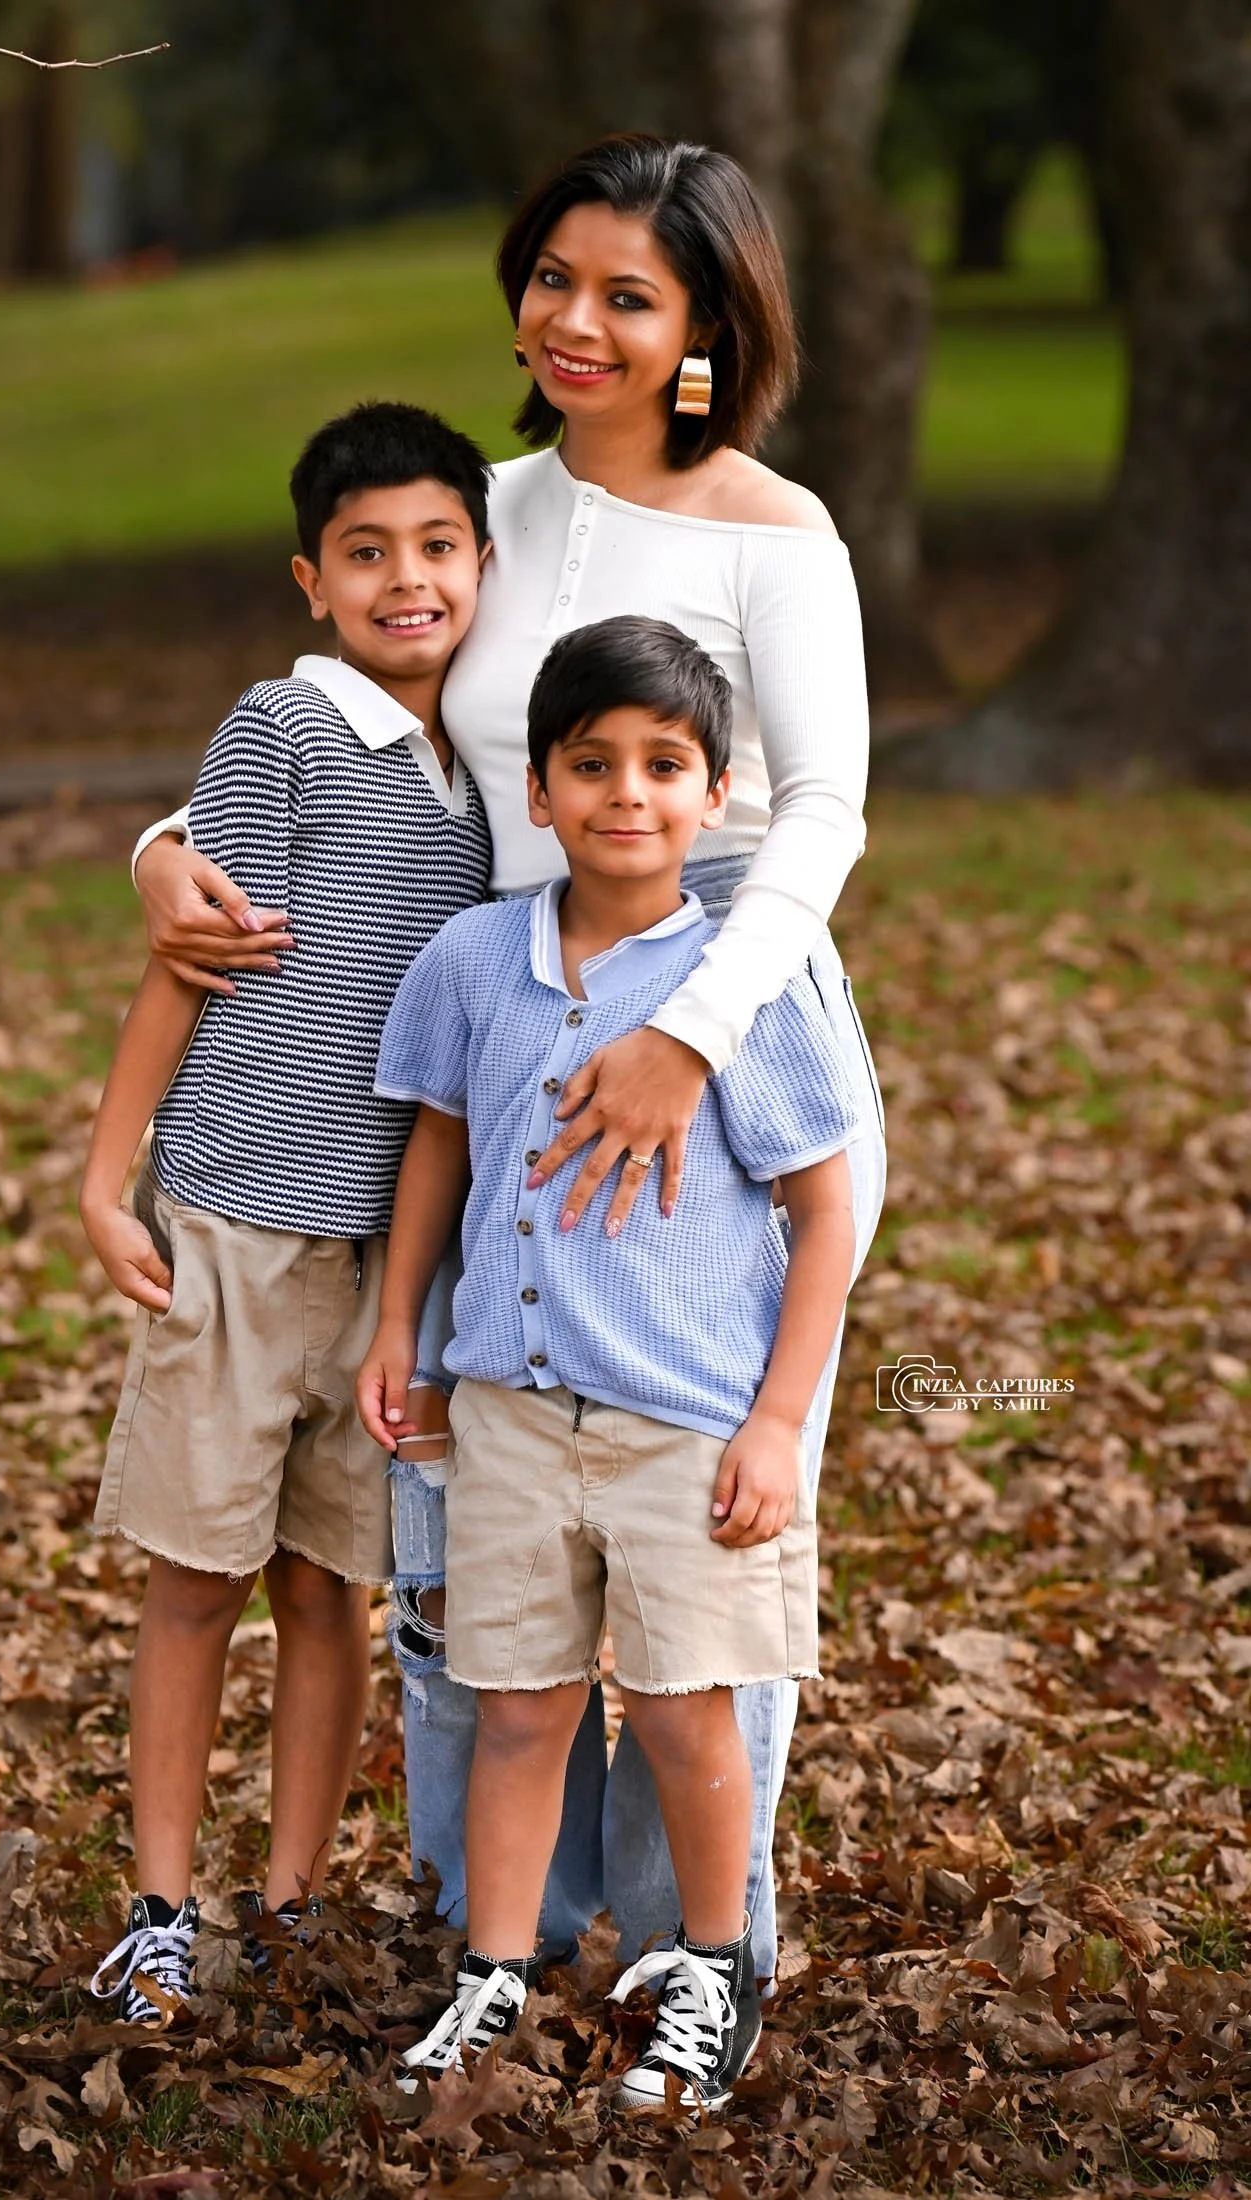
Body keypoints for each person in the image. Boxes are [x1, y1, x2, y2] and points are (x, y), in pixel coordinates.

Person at [128, 134, 888, 1989]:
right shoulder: (489, 499)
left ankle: (697, 1934)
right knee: (478, 1477)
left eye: (630, 294)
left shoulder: (771, 531)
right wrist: (162, 844)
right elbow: (363, 712)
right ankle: (512, 1930)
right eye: (554, 277)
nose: (578, 321)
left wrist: (688, 1050)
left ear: (707, 323)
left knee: (694, 1472)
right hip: (488, 1014)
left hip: (713, 1007)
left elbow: (826, 814)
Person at [357, 616, 860, 2110]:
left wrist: (776, 1424)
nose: (625, 794)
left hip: (684, 1418)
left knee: (688, 1704)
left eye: (661, 765)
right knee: (512, 1701)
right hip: (507, 1407)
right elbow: (435, 1148)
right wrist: (402, 1328)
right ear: (539, 787)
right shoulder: (470, 961)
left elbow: (824, 1212)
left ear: (713, 797)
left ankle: (713, 1963)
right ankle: (492, 1976)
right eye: (591, 764)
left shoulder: (737, 984)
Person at [79, 401, 493, 2023]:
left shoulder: (488, 777)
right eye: (368, 553)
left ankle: (295, 1900)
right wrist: (106, 1179)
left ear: (480, 560)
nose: (408, 580)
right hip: (240, 1228)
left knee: (331, 1588)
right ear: (310, 579)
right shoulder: (283, 728)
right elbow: (186, 960)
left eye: (439, 546)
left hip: (389, 1255)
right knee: (197, 1574)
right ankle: (161, 1907)